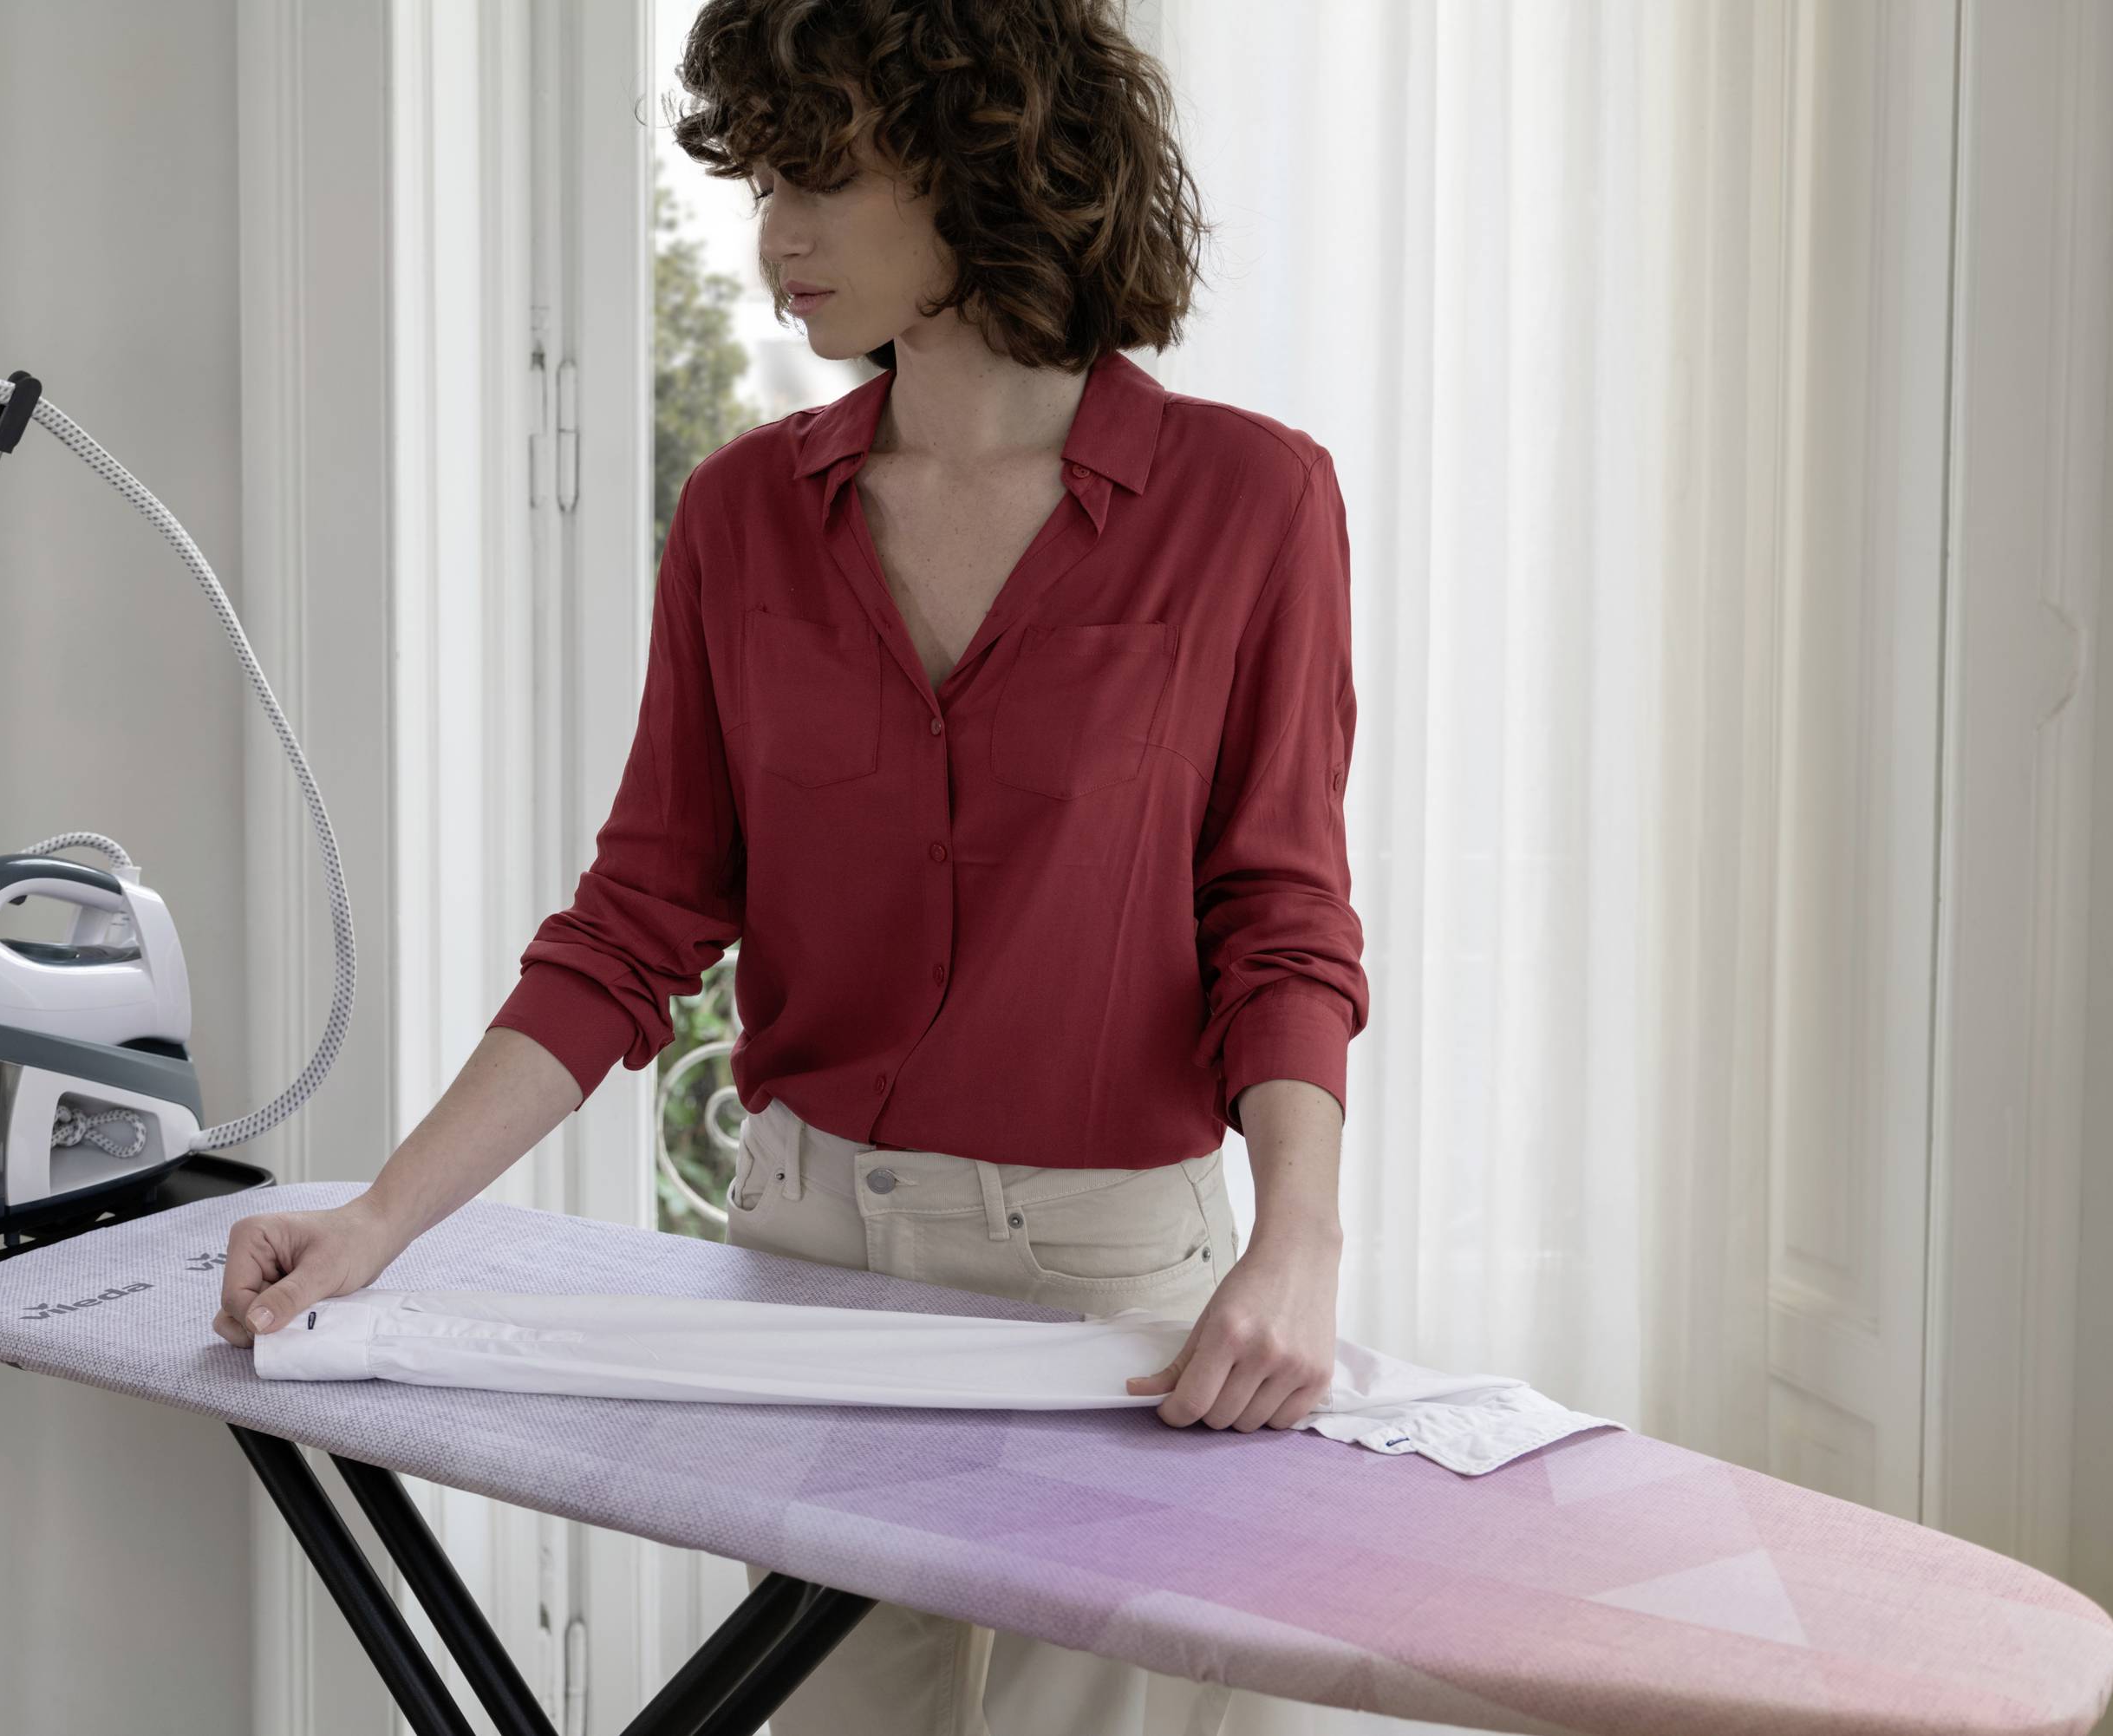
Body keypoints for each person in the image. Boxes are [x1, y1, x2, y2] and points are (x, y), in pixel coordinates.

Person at [217, 1, 1366, 1729]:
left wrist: (1299, 1245)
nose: (774, 235)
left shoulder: (1251, 502)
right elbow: (633, 924)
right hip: (807, 1255)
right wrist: (379, 1221)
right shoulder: (749, 514)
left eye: (820, 171)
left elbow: (1280, 915)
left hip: (1114, 1285)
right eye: (758, 176)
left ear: (982, 155)